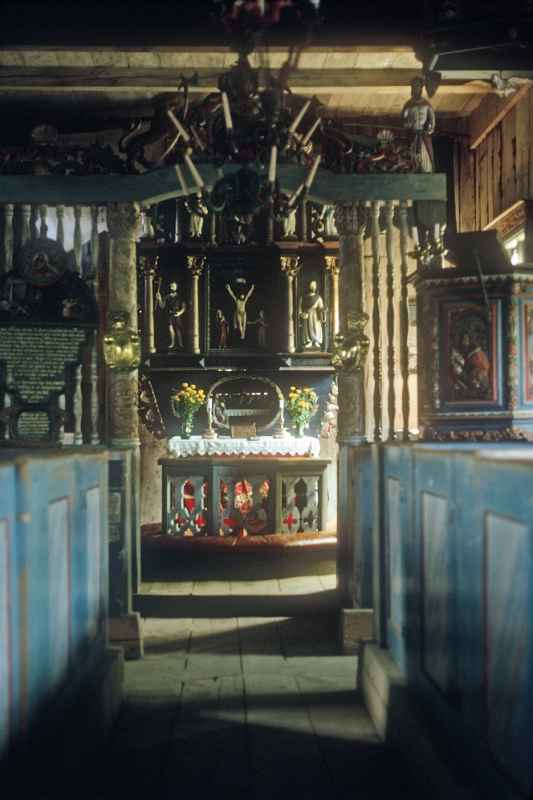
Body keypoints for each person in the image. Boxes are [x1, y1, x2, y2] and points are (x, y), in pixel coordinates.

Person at [401, 76, 435, 174]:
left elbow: (432, 121)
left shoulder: (426, 105)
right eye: (414, 86)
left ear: (421, 88)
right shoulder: (408, 105)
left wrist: (429, 128)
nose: (416, 88)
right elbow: (403, 120)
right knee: (411, 152)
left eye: (418, 86)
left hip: (423, 134)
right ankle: (413, 168)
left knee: (426, 153)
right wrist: (407, 124)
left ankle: (427, 169)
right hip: (413, 133)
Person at [156, 280, 186, 350]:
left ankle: (181, 344)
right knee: (170, 329)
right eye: (171, 286)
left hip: (177, 315)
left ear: (176, 287)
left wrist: (179, 313)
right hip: (169, 315)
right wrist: (159, 299)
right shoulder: (167, 297)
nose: (172, 287)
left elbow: (184, 307)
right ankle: (173, 343)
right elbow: (162, 306)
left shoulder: (180, 296)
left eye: (174, 286)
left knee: (178, 329)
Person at [299, 280, 325, 349]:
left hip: (315, 315)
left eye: (314, 286)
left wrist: (322, 311)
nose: (313, 287)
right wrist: (302, 314)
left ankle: (316, 341)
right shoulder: (303, 297)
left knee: (316, 327)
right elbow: (299, 308)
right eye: (312, 286)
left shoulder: (318, 297)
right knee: (307, 328)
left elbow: (321, 307)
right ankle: (309, 341)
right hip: (307, 314)